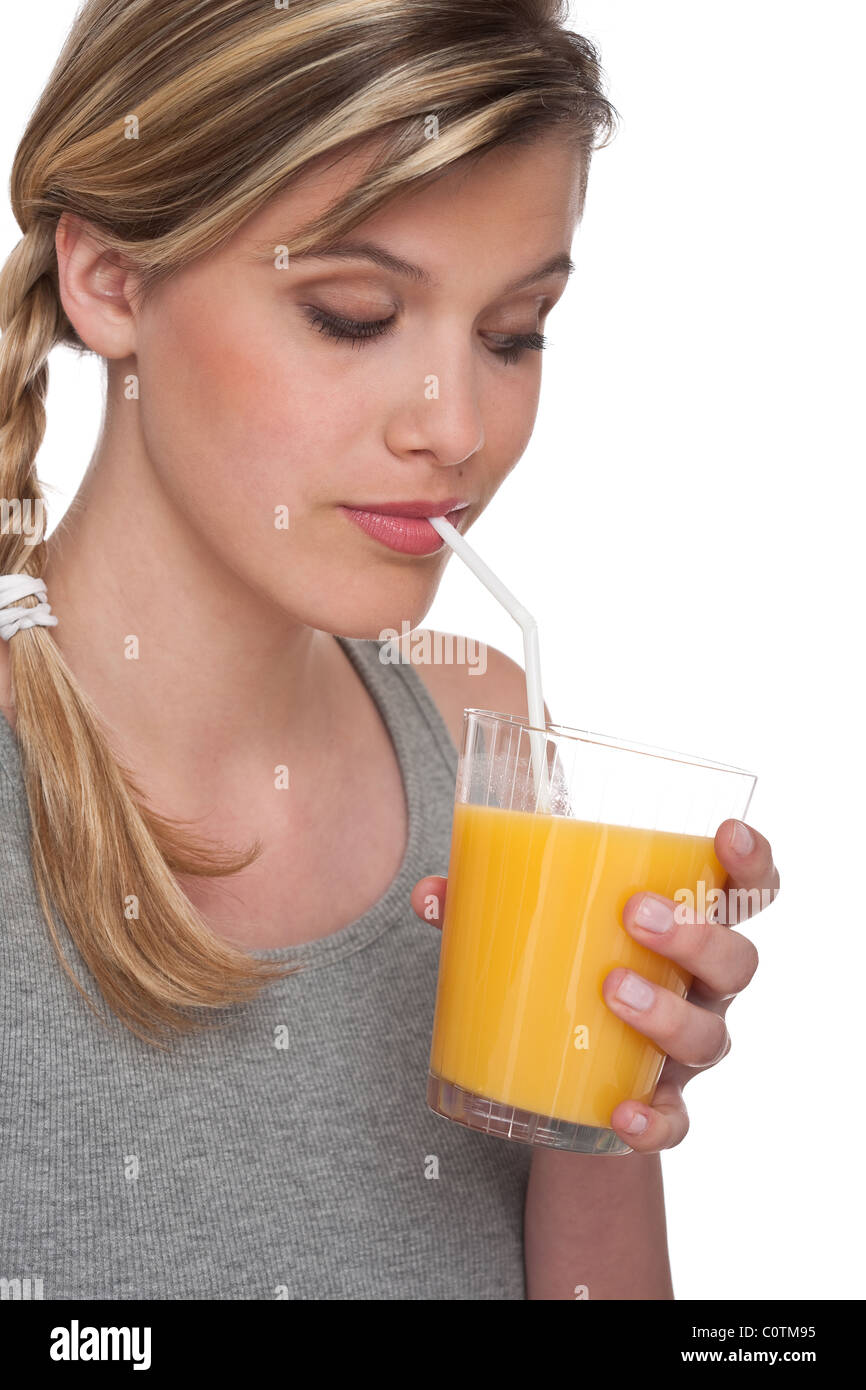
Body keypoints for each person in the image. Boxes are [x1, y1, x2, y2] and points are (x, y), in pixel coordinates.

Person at [0, 0, 778, 1300]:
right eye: (355, 314)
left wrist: (600, 1096)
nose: (458, 428)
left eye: (512, 331)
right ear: (111, 280)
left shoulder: (477, 716)